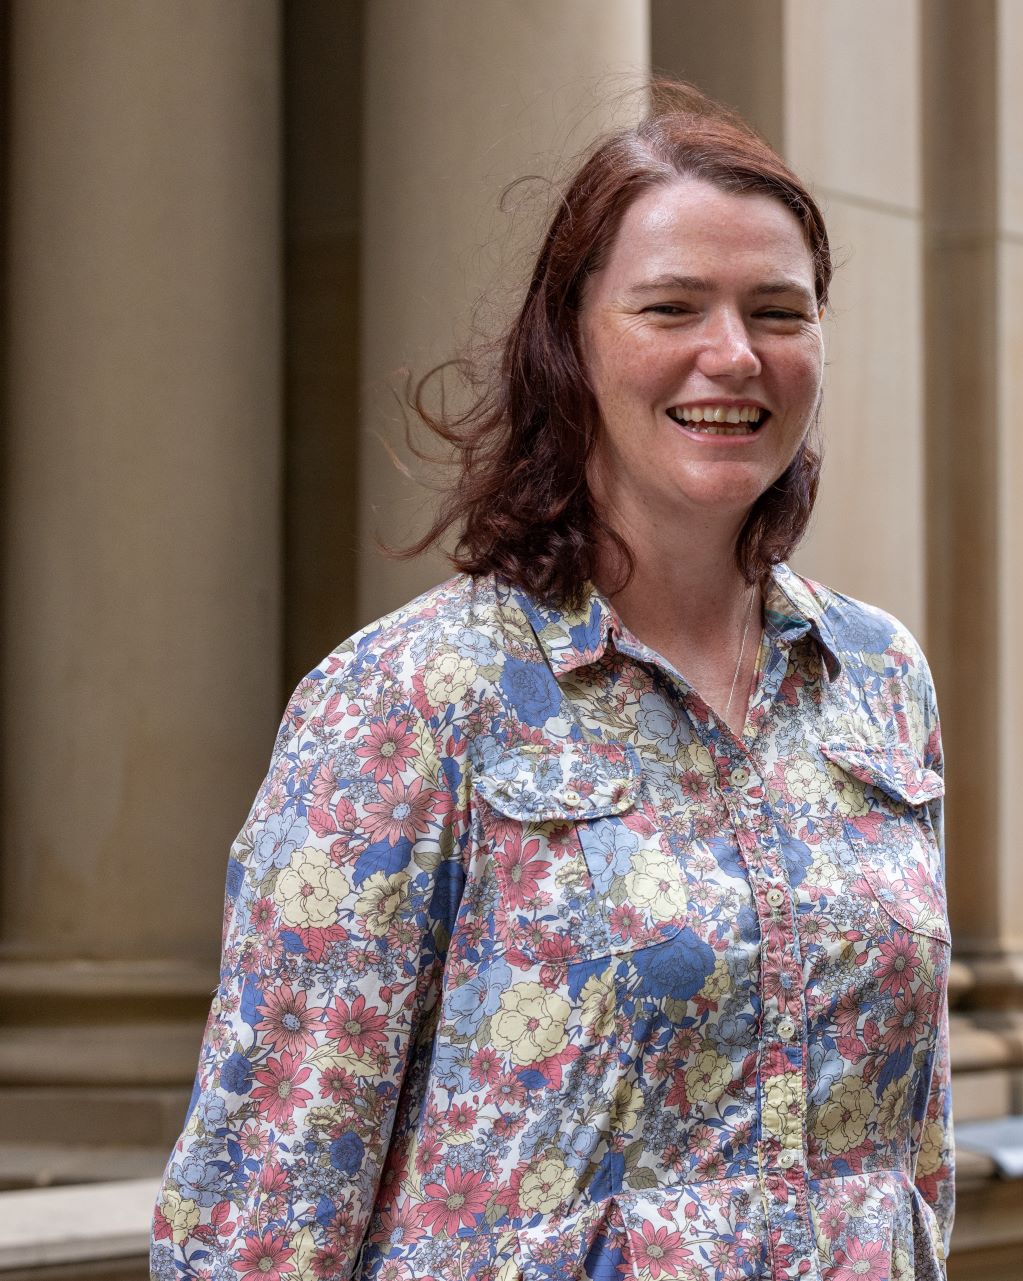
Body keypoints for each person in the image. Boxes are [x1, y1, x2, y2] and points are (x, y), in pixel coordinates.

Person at [154, 85, 952, 1281]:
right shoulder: (415, 696)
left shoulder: (878, 677)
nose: (732, 353)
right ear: (570, 340)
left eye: (778, 311)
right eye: (671, 306)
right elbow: (267, 1192)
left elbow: (912, 1143)